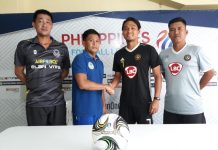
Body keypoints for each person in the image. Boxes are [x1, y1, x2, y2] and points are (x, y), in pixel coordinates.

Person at [14, 9, 71, 126]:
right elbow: (18, 71)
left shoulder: (61, 47)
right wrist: (32, 83)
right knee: (37, 139)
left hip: (57, 102)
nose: (44, 24)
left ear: (52, 25)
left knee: (58, 137)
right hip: (35, 103)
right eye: (40, 21)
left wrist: (51, 82)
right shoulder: (24, 45)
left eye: (48, 22)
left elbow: (65, 71)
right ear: (33, 24)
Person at [159, 17, 215, 124]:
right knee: (170, 140)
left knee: (195, 140)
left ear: (186, 32)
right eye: (172, 30)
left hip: (193, 109)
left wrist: (197, 88)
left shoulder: (196, 50)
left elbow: (210, 72)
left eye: (180, 29)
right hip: (170, 109)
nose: (176, 32)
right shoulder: (163, 54)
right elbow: (164, 73)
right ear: (169, 34)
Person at [110, 17, 162, 124]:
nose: (129, 31)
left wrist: (156, 99)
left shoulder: (148, 50)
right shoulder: (119, 54)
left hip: (144, 103)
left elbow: (157, 76)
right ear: (123, 32)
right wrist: (109, 87)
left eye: (133, 28)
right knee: (125, 135)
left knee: (146, 136)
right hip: (125, 104)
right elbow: (117, 77)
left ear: (138, 31)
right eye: (126, 28)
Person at [72, 29, 114, 125]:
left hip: (98, 112)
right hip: (84, 112)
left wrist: (103, 107)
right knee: (83, 139)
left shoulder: (99, 62)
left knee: (97, 140)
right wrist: (105, 86)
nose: (94, 44)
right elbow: (82, 84)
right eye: (91, 41)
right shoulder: (80, 59)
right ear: (83, 43)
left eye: (97, 41)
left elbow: (100, 86)